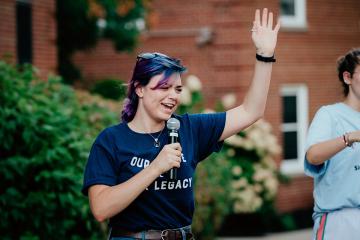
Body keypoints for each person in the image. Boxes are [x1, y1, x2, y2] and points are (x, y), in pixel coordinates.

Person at [82, 8, 280, 240]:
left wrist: (264, 55)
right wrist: (155, 168)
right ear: (140, 89)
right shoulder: (112, 140)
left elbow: (251, 111)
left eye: (177, 89)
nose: (173, 96)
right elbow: (101, 208)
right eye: (163, 88)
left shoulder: (189, 129)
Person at [304, 48, 360, 240]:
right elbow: (313, 155)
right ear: (348, 77)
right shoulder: (329, 115)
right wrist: (350, 137)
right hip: (339, 222)